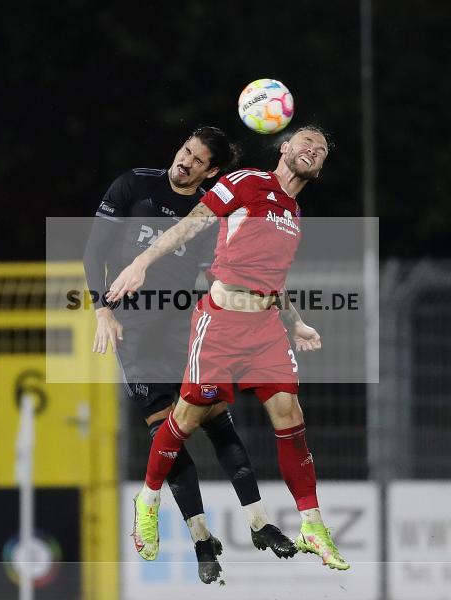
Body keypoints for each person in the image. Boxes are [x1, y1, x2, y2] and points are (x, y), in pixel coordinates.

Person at [107, 125, 350, 571]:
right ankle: (148, 499)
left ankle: (312, 524)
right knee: (185, 418)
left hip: (265, 331)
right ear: (284, 147)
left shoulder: (294, 212)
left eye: (321, 150)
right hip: (220, 325)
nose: (313, 151)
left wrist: (296, 323)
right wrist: (142, 261)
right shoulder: (246, 182)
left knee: (290, 416)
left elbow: (273, 281)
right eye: (306, 143)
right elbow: (192, 222)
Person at [82, 126, 295, 584]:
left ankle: (260, 524)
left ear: (211, 171)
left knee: (216, 419)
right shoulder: (134, 185)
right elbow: (94, 250)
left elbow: (231, 270)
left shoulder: (210, 214)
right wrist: (102, 311)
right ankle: (203, 543)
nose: (185, 162)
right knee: (167, 433)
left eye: (198, 160)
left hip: (183, 328)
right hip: (134, 336)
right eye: (184, 151)